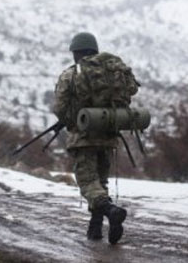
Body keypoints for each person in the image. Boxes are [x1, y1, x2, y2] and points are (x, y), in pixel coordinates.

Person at [53, 32, 140, 245]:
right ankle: (95, 228)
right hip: (108, 134)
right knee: (100, 181)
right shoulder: (110, 74)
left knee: (87, 182)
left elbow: (61, 107)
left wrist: (69, 120)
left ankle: (111, 212)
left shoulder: (71, 75)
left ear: (76, 52)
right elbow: (133, 89)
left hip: (84, 138)